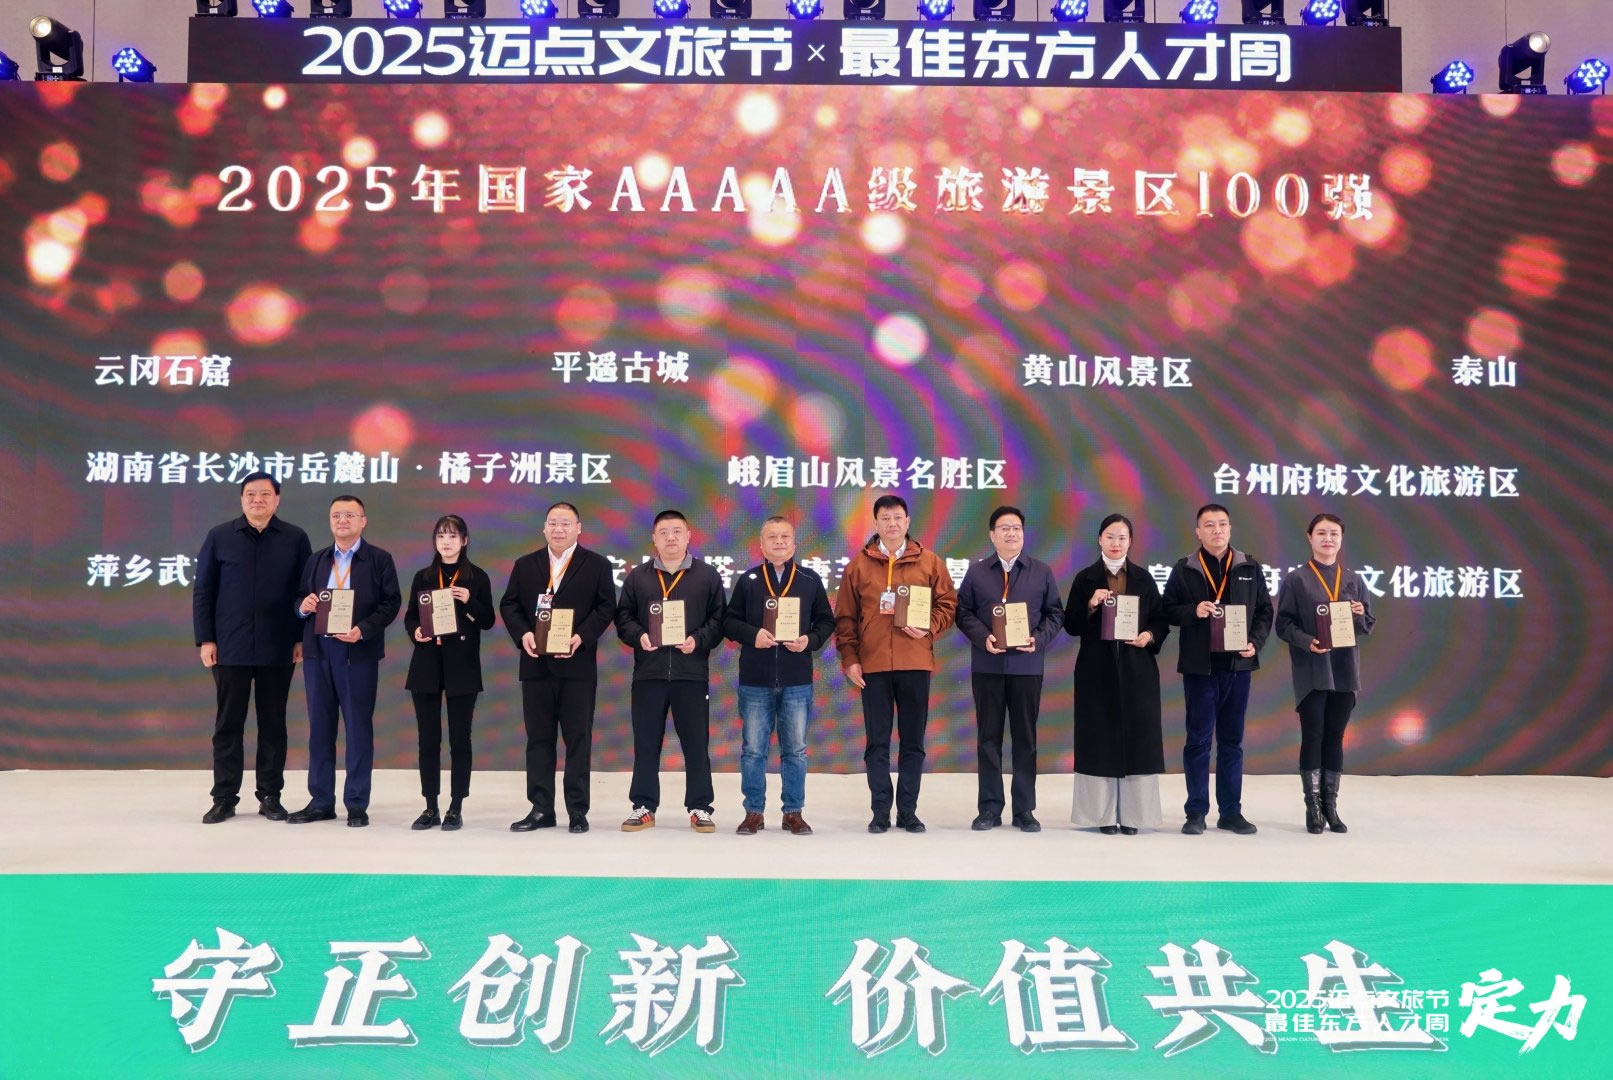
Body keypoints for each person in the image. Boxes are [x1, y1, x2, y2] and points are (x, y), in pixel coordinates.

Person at [193, 472, 312, 824]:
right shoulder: (219, 536)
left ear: (277, 499)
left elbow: (304, 592)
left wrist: (300, 638)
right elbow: (203, 591)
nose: (257, 499)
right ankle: (224, 798)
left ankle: (270, 796)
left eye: (265, 494)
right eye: (250, 494)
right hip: (230, 646)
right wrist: (206, 639)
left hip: (279, 645)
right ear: (241, 499)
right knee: (228, 724)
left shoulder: (295, 538)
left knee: (273, 724)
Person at [834, 495, 958, 834]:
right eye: (885, 518)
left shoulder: (929, 561)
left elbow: (948, 604)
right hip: (872, 666)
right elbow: (845, 618)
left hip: (915, 662)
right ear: (875, 523)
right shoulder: (858, 566)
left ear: (908, 521)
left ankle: (908, 811)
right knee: (877, 743)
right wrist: (850, 659)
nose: (892, 523)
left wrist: (929, 626)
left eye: (898, 517)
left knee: (913, 742)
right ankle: (880, 812)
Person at [499, 501, 619, 834]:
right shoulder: (526, 565)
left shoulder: (596, 565)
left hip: (577, 666)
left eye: (566, 523)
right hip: (536, 665)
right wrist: (523, 633)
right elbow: (509, 604)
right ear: (544, 528)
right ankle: (541, 809)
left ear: (579, 528)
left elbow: (606, 607)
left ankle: (577, 810)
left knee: (578, 739)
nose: (558, 529)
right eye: (552, 523)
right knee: (539, 740)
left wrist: (581, 637)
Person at [289, 494, 401, 828]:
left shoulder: (379, 559)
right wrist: (303, 606)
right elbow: (299, 597)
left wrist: (363, 630)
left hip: (356, 652)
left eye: (350, 515)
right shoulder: (317, 559)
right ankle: (321, 801)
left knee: (357, 728)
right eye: (336, 515)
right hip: (318, 652)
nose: (342, 520)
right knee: (320, 729)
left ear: (363, 521)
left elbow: (391, 603)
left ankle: (356, 803)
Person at [1162, 503, 1273, 836]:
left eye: (1222, 524)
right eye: (1209, 525)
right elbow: (1166, 610)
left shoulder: (1249, 566)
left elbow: (1264, 612)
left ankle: (1231, 812)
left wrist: (1255, 642)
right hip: (1201, 668)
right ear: (1198, 531)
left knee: (1232, 742)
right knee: (1198, 741)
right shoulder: (1185, 569)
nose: (1217, 530)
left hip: (1237, 666)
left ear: (1230, 528)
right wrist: (1193, 611)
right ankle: (1196, 812)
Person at [613, 510, 727, 833]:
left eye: (677, 531)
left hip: (691, 674)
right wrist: (639, 636)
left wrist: (698, 640)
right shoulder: (638, 577)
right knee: (646, 743)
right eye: (664, 532)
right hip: (648, 675)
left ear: (689, 536)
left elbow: (719, 619)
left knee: (696, 745)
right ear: (654, 538)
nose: (671, 538)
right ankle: (643, 806)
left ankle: (700, 807)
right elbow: (623, 618)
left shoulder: (707, 576)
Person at [722, 516, 836, 836]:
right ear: (761, 545)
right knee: (753, 751)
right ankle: (753, 812)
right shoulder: (749, 580)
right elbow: (729, 622)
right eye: (772, 537)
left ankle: (793, 812)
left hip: (797, 680)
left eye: (785, 536)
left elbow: (826, 622)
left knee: (795, 750)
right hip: (755, 681)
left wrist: (809, 640)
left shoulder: (810, 580)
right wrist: (752, 635)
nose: (779, 542)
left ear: (794, 543)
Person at [953, 505, 1065, 832]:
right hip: (987, 665)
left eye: (1016, 528)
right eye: (1004, 528)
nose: (1011, 533)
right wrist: (983, 637)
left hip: (1027, 666)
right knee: (988, 738)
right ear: (992, 535)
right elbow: (963, 612)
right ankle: (989, 808)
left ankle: (1024, 810)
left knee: (1025, 739)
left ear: (1023, 534)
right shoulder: (977, 572)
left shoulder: (1041, 572)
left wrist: (1038, 639)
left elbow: (1055, 613)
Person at [1063, 514, 1171, 834]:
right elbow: (1071, 625)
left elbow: (1160, 620)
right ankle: (1102, 816)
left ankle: (1135, 816)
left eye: (1122, 537)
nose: (1116, 543)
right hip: (1096, 670)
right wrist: (1091, 606)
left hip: (1137, 670)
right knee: (1099, 740)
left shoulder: (1143, 578)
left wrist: (1149, 636)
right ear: (1099, 539)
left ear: (1131, 542)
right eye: (1110, 536)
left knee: (1138, 740)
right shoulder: (1085, 579)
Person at [1275, 513, 1376, 834]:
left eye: (1334, 533)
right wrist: (1307, 641)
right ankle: (1313, 807)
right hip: (1313, 669)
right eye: (1321, 533)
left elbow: (1367, 625)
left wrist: (1359, 613)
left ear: (1341, 539)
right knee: (1313, 735)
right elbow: (1283, 624)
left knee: (1335, 737)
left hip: (1344, 670)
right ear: (1310, 537)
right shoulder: (1297, 579)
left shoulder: (1354, 579)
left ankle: (1331, 806)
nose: (1328, 538)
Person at [402, 515, 496, 832]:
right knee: (428, 741)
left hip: (462, 667)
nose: (446, 541)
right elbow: (410, 617)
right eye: (441, 535)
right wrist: (415, 631)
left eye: (453, 536)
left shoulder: (477, 577)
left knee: (460, 740)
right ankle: (430, 806)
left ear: (464, 541)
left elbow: (488, 621)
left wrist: (469, 602)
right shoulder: (424, 576)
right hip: (427, 665)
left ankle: (456, 806)